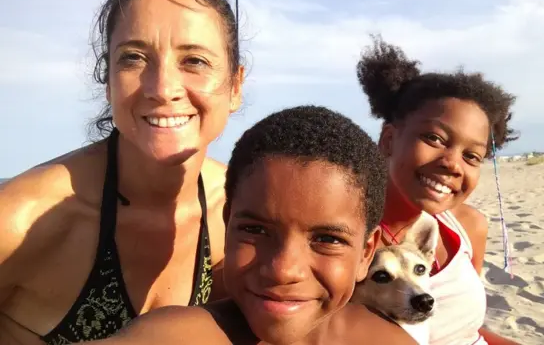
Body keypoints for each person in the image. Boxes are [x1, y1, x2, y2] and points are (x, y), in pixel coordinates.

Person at [0, 0, 243, 344]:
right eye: (133, 58)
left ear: (235, 86)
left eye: (194, 61)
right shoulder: (23, 222)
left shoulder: (240, 214)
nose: (162, 88)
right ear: (108, 84)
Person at [79, 105, 417, 345]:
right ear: (227, 226)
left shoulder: (389, 340)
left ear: (366, 254)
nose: (284, 270)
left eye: (327, 238)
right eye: (255, 230)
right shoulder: (184, 335)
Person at [356, 35, 520, 345]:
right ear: (389, 139)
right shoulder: (345, 234)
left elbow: (467, 331)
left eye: (472, 156)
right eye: (435, 139)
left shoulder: (468, 227)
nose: (453, 165)